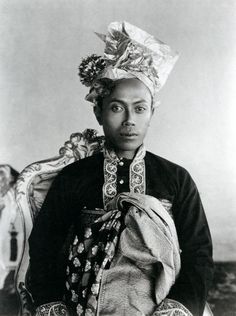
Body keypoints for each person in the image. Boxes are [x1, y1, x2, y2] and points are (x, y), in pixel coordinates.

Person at [28, 21, 213, 316]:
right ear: (98, 112)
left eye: (139, 108)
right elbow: (43, 249)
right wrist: (55, 306)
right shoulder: (74, 177)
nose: (129, 120)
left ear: (152, 113)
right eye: (117, 108)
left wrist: (176, 309)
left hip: (160, 302)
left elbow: (199, 255)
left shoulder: (176, 179)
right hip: (84, 303)